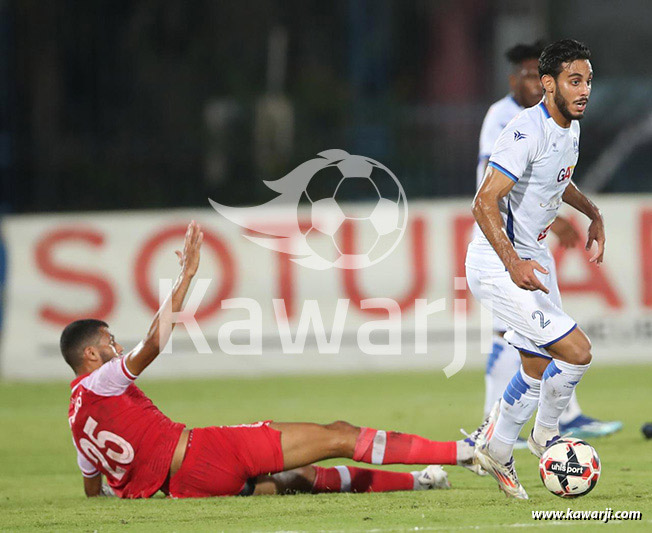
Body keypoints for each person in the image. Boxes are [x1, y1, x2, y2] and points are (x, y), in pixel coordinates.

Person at [65, 221, 487, 499]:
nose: (116, 348)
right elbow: (153, 344)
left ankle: (421, 480)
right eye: (110, 342)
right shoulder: (100, 382)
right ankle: (464, 452)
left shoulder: (76, 419)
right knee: (339, 434)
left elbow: (93, 489)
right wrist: (185, 277)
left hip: (186, 487)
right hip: (201, 452)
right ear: (89, 354)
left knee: (295, 478)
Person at [466, 39, 604, 499]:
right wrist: (513, 263)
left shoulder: (570, 127)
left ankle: (497, 447)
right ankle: (544, 437)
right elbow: (483, 202)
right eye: (574, 81)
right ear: (549, 85)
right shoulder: (525, 131)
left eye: (587, 81)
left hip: (532, 258)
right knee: (577, 351)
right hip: (497, 260)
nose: (584, 90)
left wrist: (592, 212)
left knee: (535, 362)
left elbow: (558, 181)